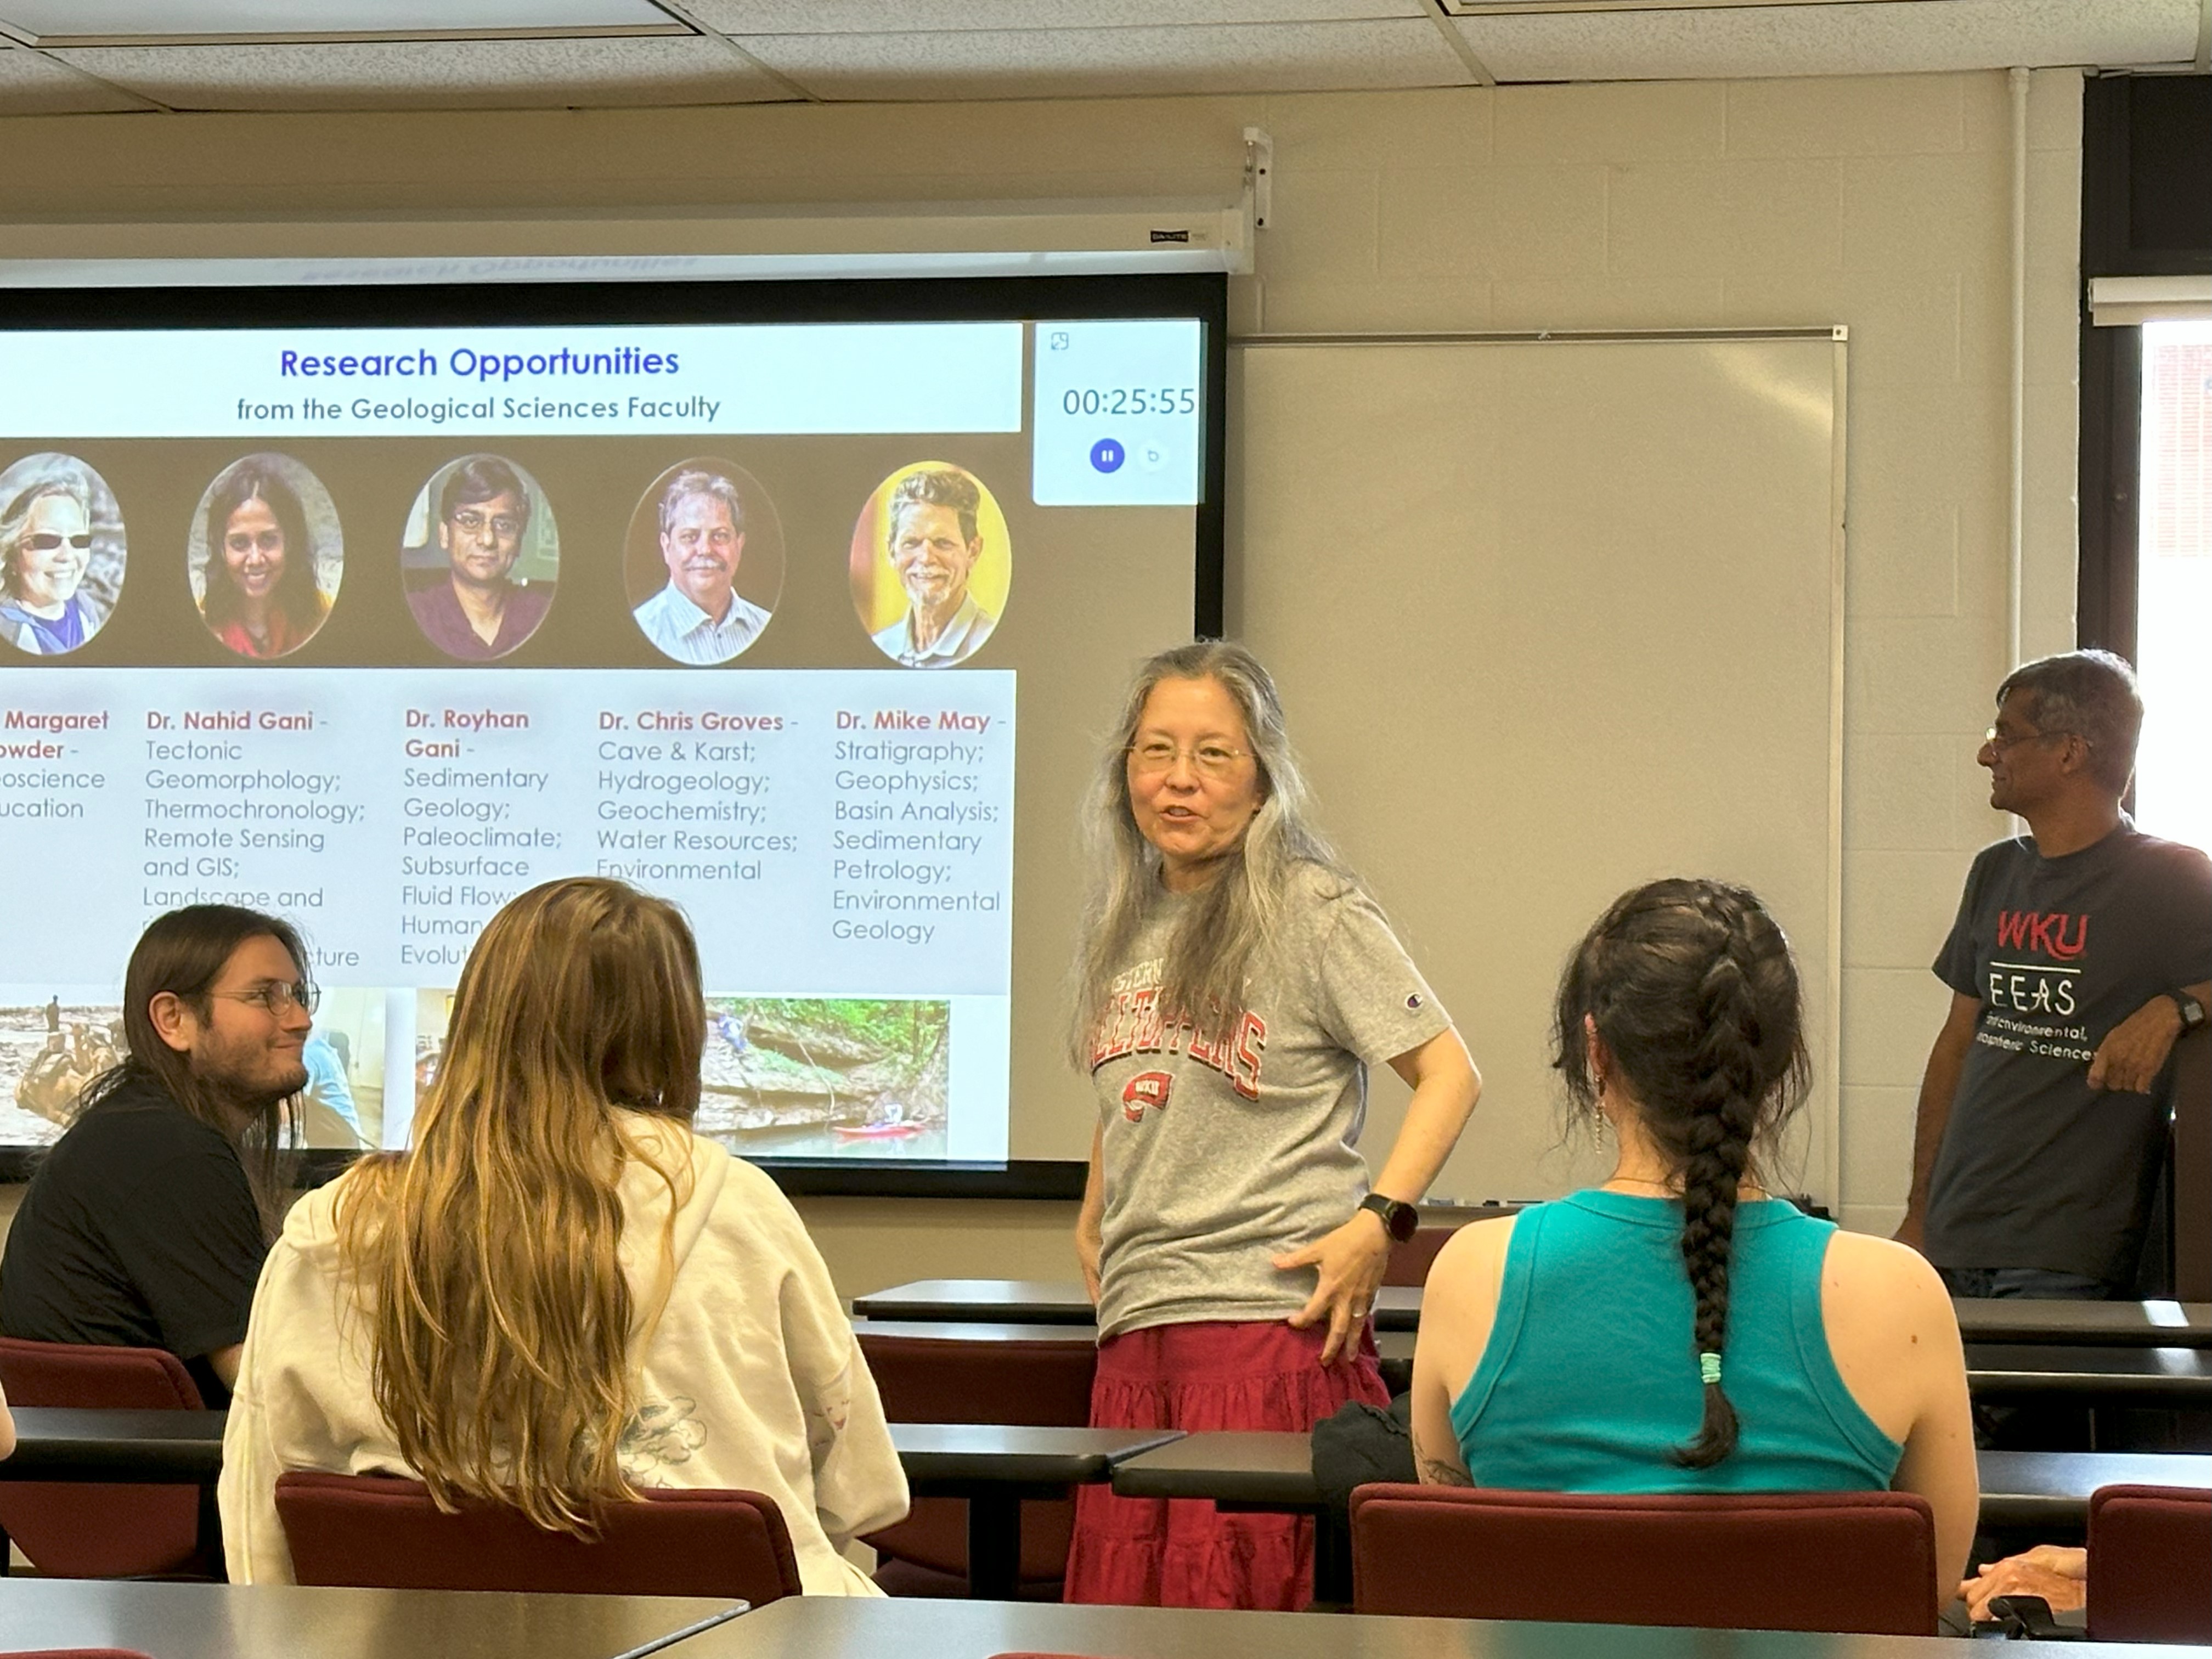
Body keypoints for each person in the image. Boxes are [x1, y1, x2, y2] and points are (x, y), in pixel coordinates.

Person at [218, 877, 908, 1592]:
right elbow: (860, 1491)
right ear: (676, 1025)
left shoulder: (333, 1227)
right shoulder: (740, 1207)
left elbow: (261, 1510)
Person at [1412, 878, 1978, 1600]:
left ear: (1595, 1050)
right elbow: (1924, 1603)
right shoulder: (1899, 1299)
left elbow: (1449, 1583)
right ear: (1778, 1061)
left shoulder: (1470, 1274)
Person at [1065, 640, 1481, 1610]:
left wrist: (1379, 1218)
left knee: (1249, 1618)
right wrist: (1095, 1210)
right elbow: (1135, 1079)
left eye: (1213, 754)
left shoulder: (1308, 907)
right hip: (1138, 1337)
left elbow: (1450, 1071)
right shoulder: (1121, 917)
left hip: (1269, 1332)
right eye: (1154, 749)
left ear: (1262, 780)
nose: (1177, 779)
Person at [1897, 651, 2212, 1299]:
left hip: (2064, 1254)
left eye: (2005, 735)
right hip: (1955, 1236)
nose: (1988, 755)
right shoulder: (1995, 872)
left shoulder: (2171, 877)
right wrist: (1919, 1212)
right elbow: (1958, 1044)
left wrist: (2178, 1008)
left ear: (2070, 752)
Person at [0, 906, 311, 1407]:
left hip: (114, 1474)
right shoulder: (170, 1150)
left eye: (295, 995)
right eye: (264, 997)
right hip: (154, 1477)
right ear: (173, 1020)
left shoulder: (141, 1129)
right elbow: (267, 1385)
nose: (300, 1019)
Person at [405, 455, 554, 661]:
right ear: (445, 535)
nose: (487, 539)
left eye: (504, 525)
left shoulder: (543, 615)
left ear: (519, 542)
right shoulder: (417, 615)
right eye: (470, 521)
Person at [632, 469, 770, 664]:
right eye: (690, 537)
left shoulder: (764, 625)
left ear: (739, 545)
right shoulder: (646, 628)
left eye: (720, 536)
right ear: (666, 546)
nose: (705, 550)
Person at [198, 461, 330, 659]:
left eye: (268, 540)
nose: (256, 559)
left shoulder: (321, 616)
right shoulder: (203, 620)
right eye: (240, 543)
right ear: (221, 549)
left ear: (290, 542)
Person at [870, 467, 998, 668]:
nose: (926, 558)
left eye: (943, 543)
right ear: (891, 551)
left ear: (972, 552)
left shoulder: (993, 644)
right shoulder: (882, 646)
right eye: (911, 543)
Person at [0, 474, 104, 654]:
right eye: (47, 540)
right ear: (13, 557)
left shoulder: (86, 609)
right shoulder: (8, 629)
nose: (67, 556)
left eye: (79, 540)